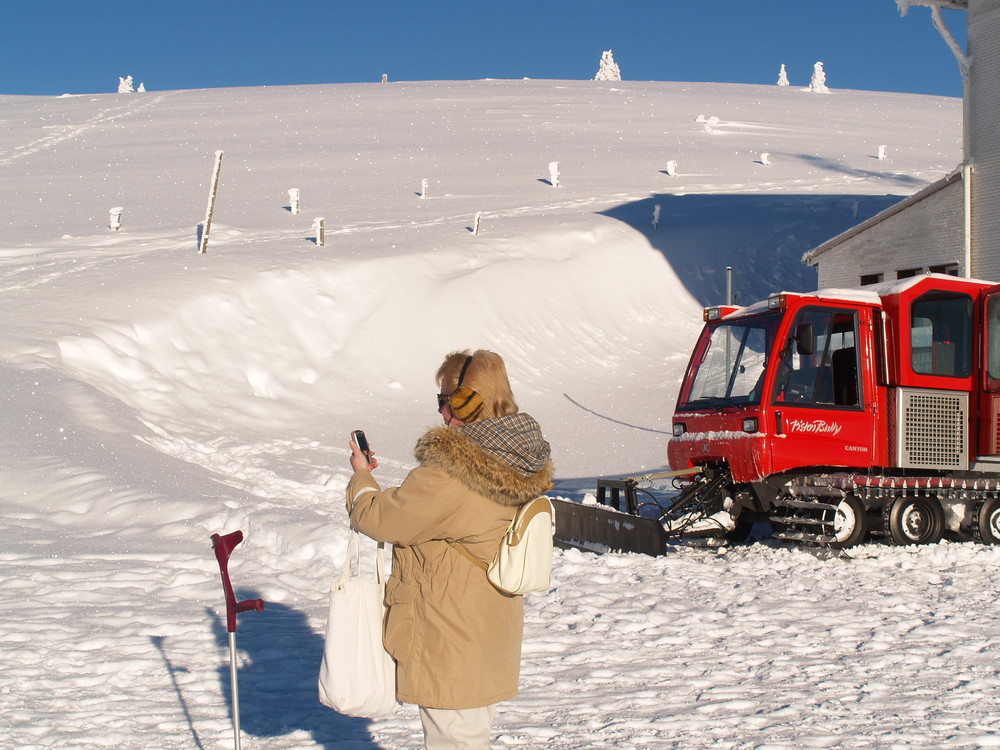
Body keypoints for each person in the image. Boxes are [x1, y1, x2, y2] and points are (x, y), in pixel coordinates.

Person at [346, 349, 553, 749]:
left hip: (450, 633)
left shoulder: (453, 470)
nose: (441, 413)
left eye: (445, 401)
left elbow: (382, 520)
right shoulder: (517, 454)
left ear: (465, 401)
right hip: (487, 628)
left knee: (454, 741)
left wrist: (361, 480)